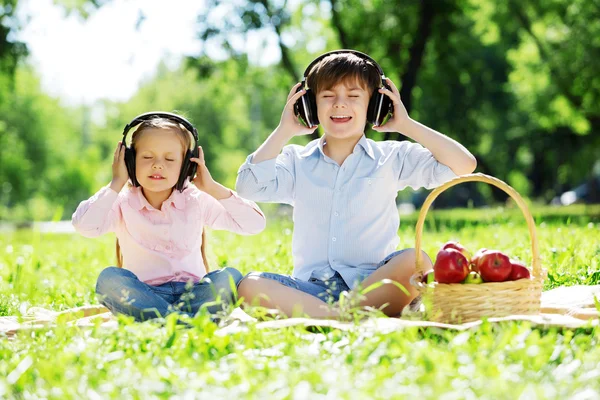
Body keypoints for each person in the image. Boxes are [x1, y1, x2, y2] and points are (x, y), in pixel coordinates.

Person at [235, 50, 476, 318]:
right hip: (311, 290)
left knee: (415, 261)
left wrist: (407, 125)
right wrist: (284, 131)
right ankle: (342, 316)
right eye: (327, 96)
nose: (339, 104)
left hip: (375, 286)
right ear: (310, 106)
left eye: (353, 96)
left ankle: (332, 315)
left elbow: (463, 165)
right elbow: (247, 187)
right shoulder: (295, 160)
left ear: (374, 105)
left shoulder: (392, 157)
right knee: (249, 285)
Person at [72, 112, 266, 322]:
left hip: (196, 295)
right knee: (109, 279)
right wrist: (116, 183)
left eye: (170, 159)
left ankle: (168, 322)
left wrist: (212, 188)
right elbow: (85, 226)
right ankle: (186, 323)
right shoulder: (121, 202)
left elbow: (254, 225)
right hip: (145, 296)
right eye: (147, 157)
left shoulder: (197, 199)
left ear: (187, 166)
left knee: (229, 277)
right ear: (130, 161)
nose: (157, 165)